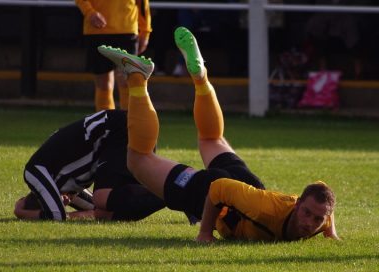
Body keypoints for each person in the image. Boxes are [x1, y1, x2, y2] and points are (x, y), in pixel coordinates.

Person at [97, 26, 339, 243]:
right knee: (138, 160)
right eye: (307, 213)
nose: (309, 223)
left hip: (248, 188)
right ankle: (137, 77)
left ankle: (202, 78)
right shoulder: (267, 210)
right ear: (297, 206)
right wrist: (205, 232)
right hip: (217, 195)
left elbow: (321, 189)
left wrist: (330, 231)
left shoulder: (318, 216)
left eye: (317, 219)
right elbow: (219, 188)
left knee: (211, 139)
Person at [14, 110, 165, 221]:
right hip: (133, 126)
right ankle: (182, 190)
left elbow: (56, 215)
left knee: (103, 197)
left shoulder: (34, 171)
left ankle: (179, 191)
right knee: (113, 209)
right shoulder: (64, 184)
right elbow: (96, 211)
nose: (65, 202)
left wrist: (22, 213)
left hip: (121, 129)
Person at [75, 0, 152, 111]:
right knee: (103, 83)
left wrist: (145, 31)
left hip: (127, 28)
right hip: (97, 29)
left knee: (127, 81)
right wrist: (89, 12)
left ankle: (128, 124)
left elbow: (143, 3)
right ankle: (106, 124)